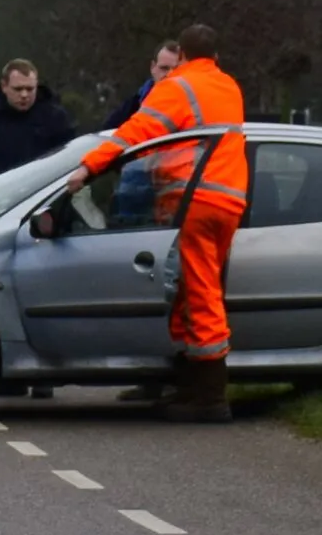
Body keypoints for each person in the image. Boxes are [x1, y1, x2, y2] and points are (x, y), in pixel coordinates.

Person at [64, 23, 249, 422]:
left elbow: (136, 131)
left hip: (194, 200)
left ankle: (210, 397)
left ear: (181, 54)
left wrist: (87, 168)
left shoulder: (178, 88)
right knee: (193, 289)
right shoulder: (229, 87)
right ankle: (188, 387)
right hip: (229, 199)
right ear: (215, 57)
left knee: (200, 294)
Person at [0, 58, 75, 188]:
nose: (24, 95)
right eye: (18, 89)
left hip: (41, 199)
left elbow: (67, 164)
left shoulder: (55, 118)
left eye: (30, 89)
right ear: (4, 86)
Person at [106, 40, 184, 129]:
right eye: (164, 68)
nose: (169, 74)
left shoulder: (194, 107)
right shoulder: (132, 107)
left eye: (177, 69)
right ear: (153, 67)